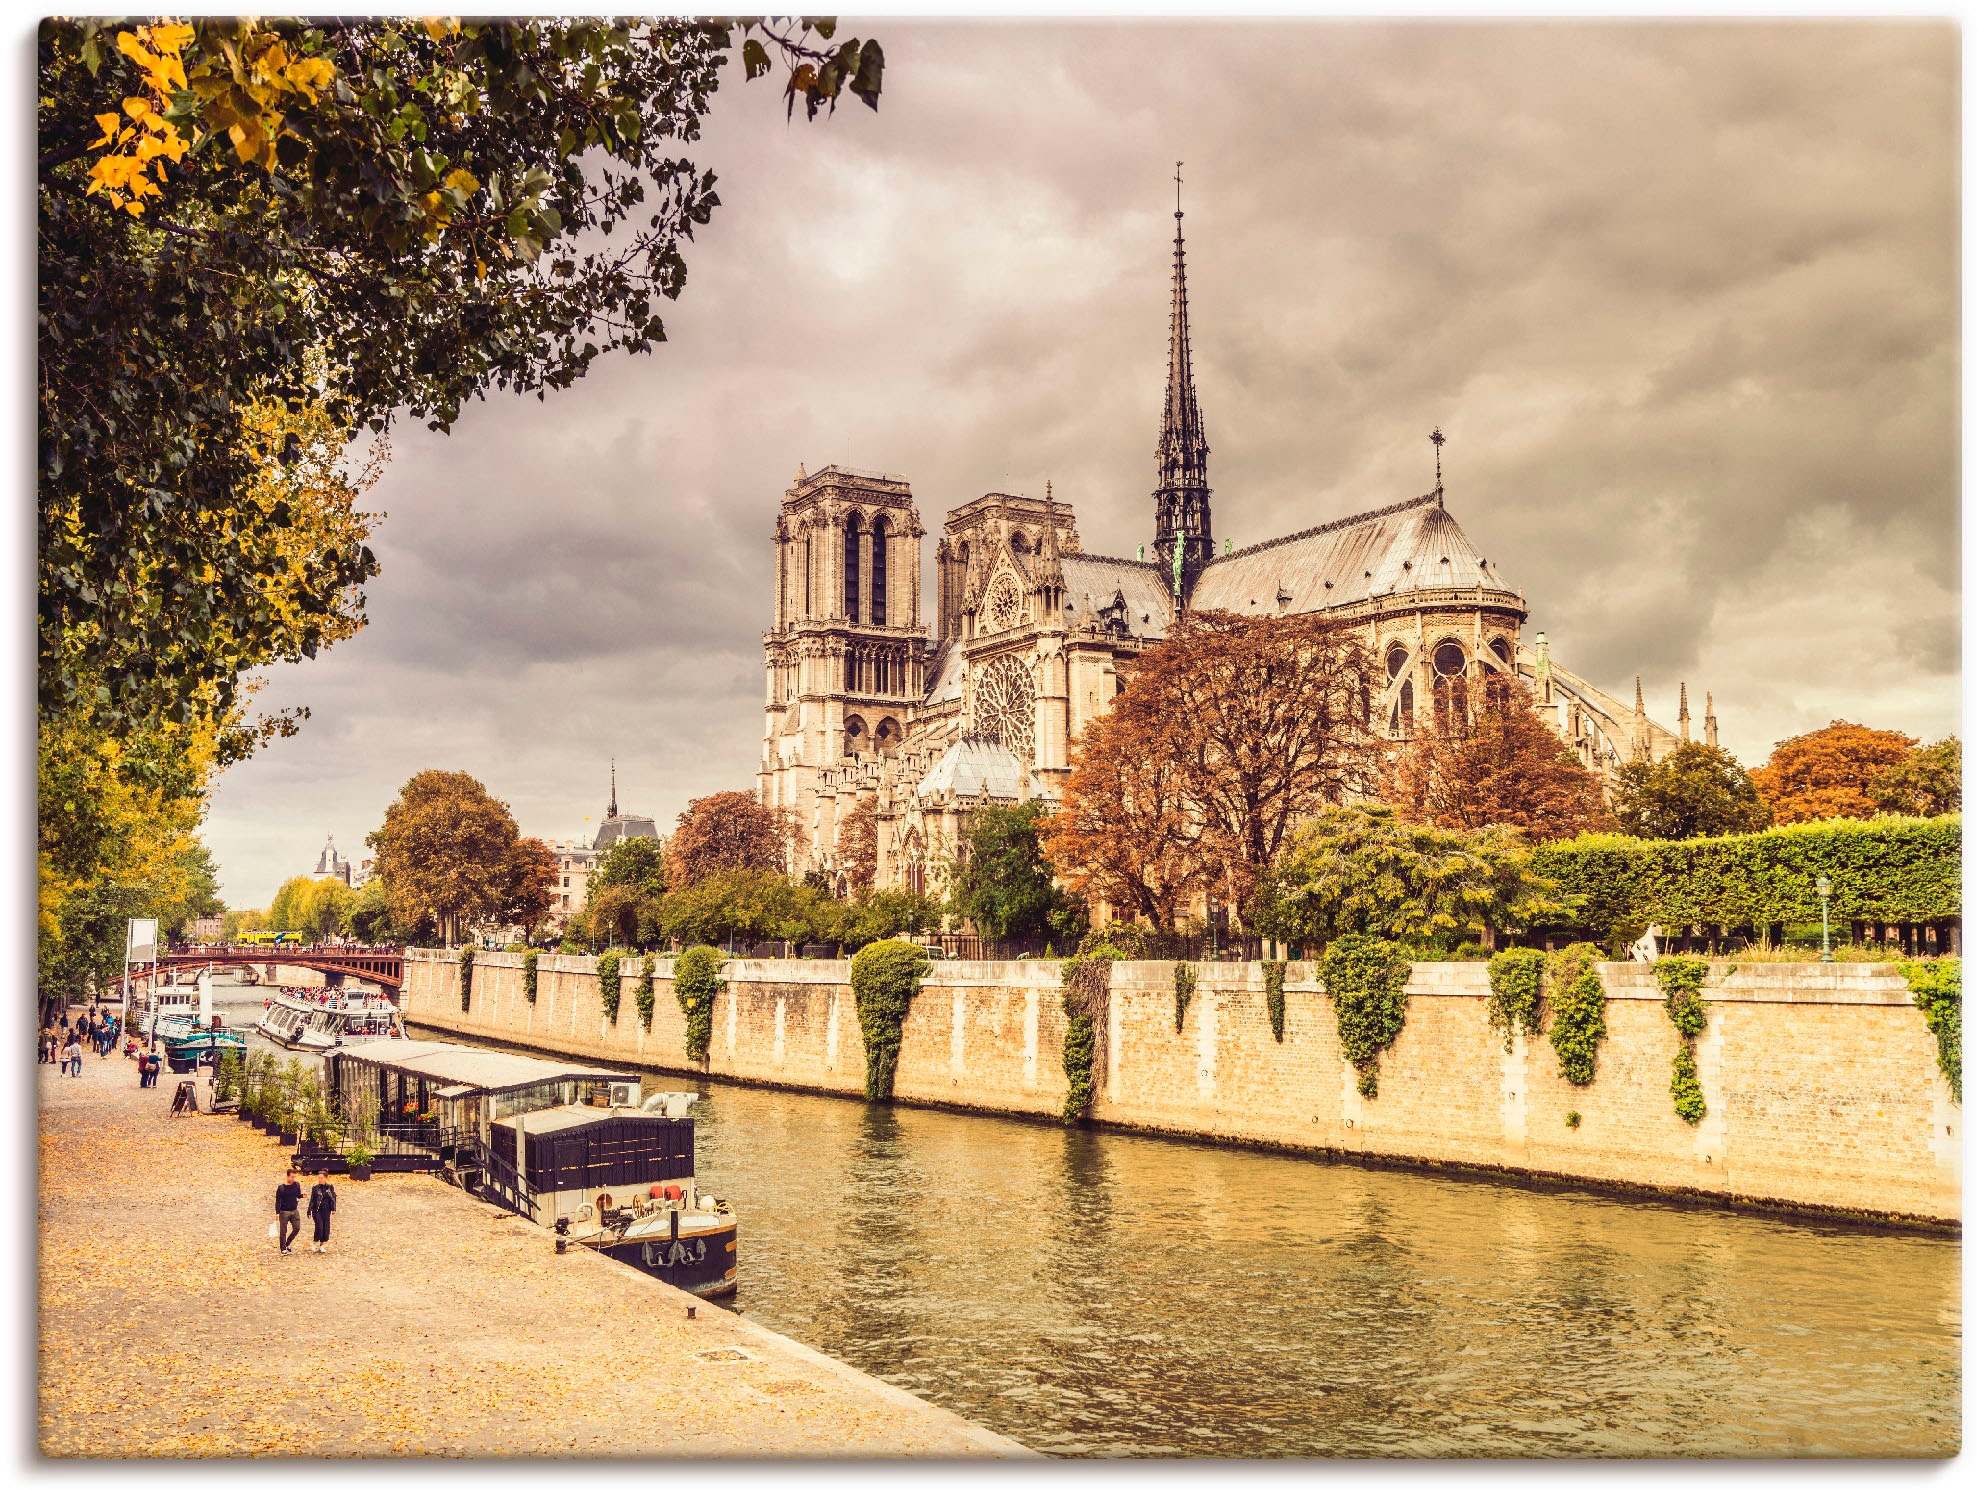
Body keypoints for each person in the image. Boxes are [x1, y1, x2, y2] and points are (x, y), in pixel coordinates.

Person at [307, 1172, 338, 1254]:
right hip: (317, 1210)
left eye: (321, 1178)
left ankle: (321, 1245)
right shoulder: (315, 1188)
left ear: (325, 1178)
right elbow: (312, 1199)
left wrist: (333, 1208)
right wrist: (309, 1211)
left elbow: (333, 1198)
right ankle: (314, 1242)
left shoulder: (330, 1187)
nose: (320, 1179)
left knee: (325, 1228)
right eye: (319, 1178)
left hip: (326, 1210)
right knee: (319, 1226)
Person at [274, 1169, 303, 1255]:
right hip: (284, 1212)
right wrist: (277, 1213)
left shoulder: (297, 1185)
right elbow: (278, 1201)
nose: (293, 1179)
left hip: (294, 1210)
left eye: (295, 1177)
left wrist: (301, 1196)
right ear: (287, 1176)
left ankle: (287, 1243)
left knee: (297, 1228)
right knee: (283, 1231)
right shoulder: (281, 1188)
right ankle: (283, 1248)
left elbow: (297, 1195)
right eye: (292, 1177)